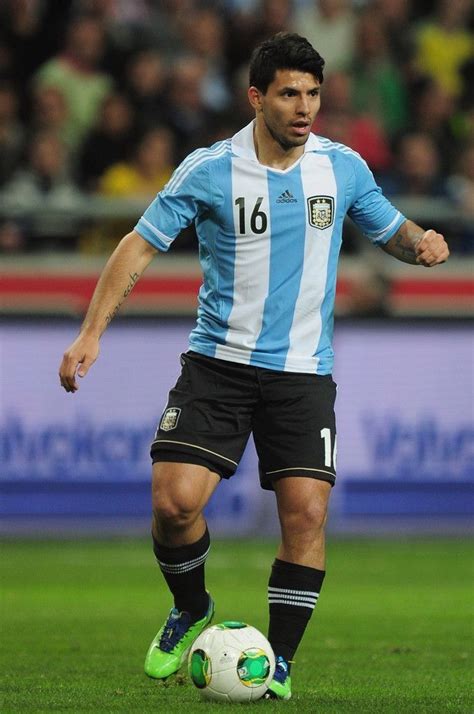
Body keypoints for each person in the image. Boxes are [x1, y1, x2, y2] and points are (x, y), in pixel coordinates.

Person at [58, 33, 449, 700]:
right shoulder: (210, 169)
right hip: (219, 365)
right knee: (175, 503)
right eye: (290, 94)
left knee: (305, 514)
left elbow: (394, 232)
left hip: (302, 373)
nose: (304, 108)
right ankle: (190, 607)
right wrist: (91, 332)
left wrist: (424, 244)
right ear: (256, 97)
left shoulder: (342, 168)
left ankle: (282, 663)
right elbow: (139, 244)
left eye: (313, 94)